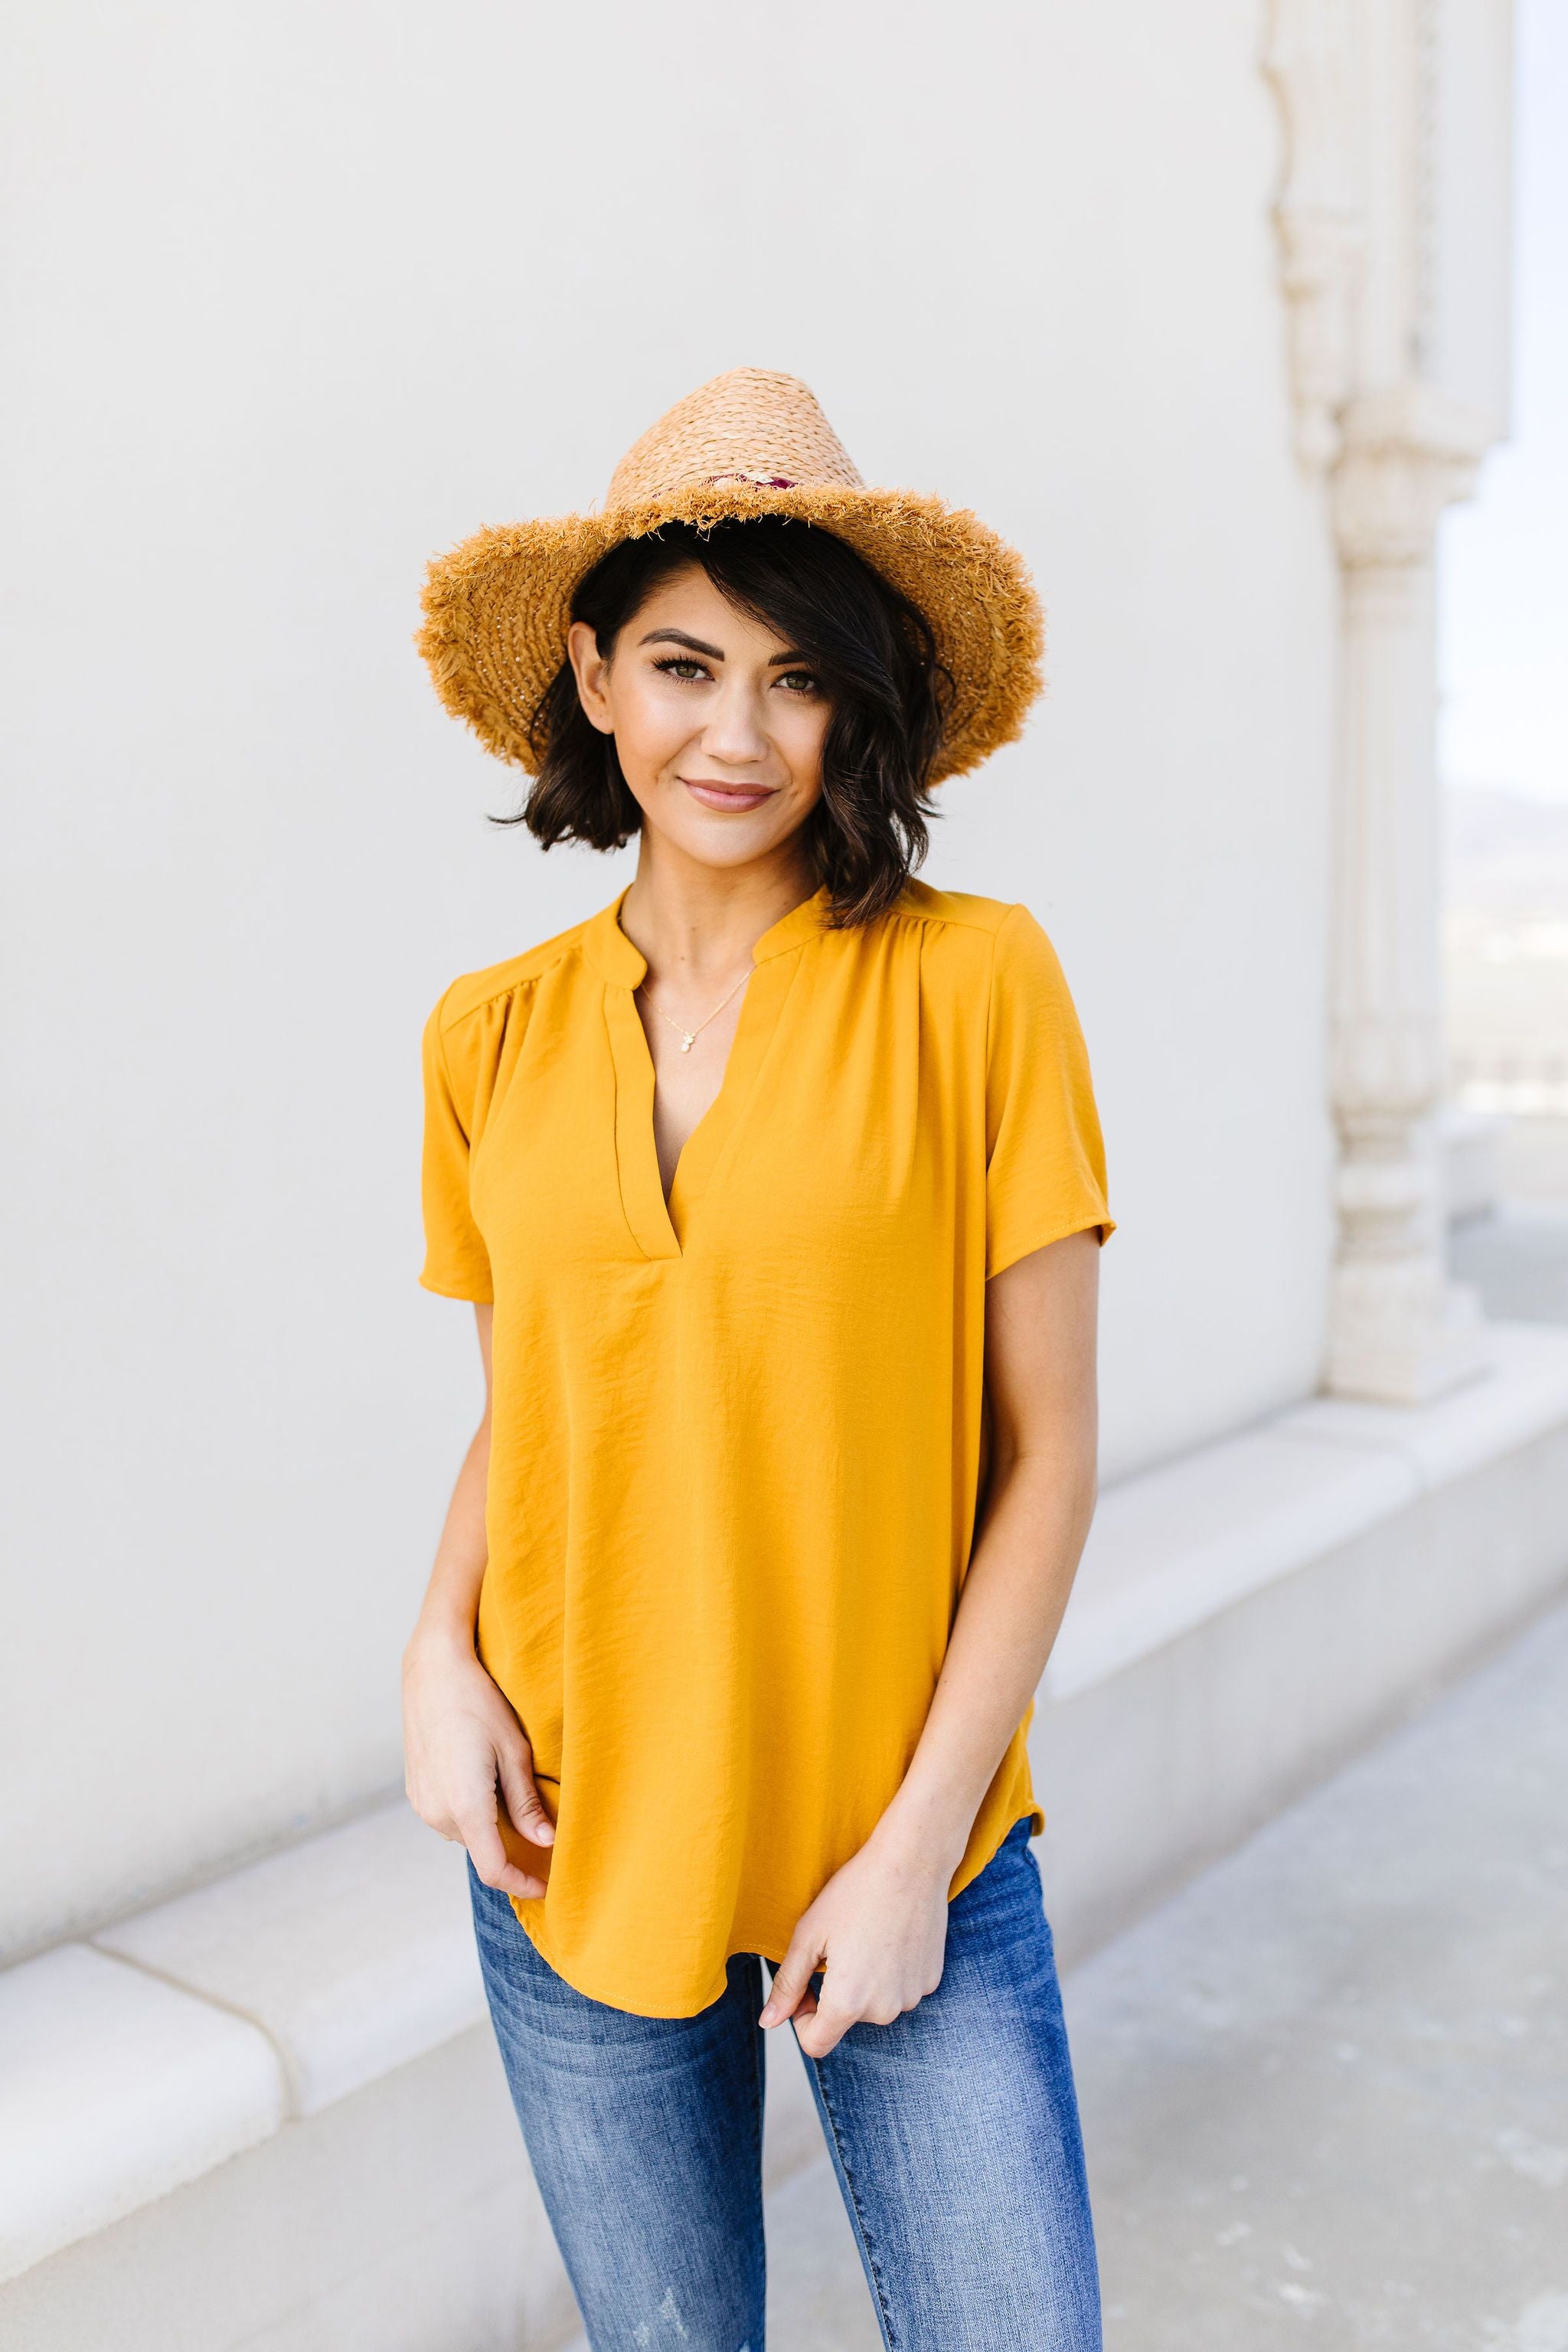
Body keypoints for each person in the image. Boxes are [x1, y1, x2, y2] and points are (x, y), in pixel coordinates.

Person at [403, 368, 1112, 2351]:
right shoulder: (490, 1036)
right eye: (686, 665)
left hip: (909, 1847)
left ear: (856, 704)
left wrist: (907, 1862)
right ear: (595, 673)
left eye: (795, 680)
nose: (737, 732)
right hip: (573, 1833)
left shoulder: (979, 984)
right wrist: (433, 1655)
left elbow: (1047, 1456)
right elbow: (532, 1410)